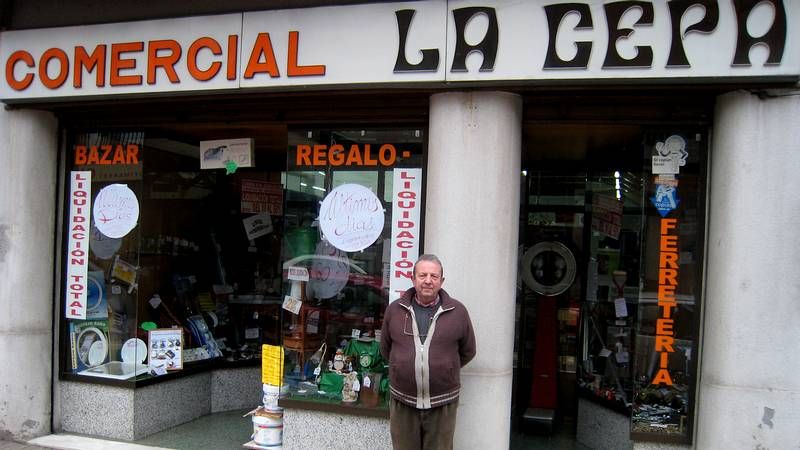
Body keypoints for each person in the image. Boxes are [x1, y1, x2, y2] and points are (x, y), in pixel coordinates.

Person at [380, 254, 476, 450]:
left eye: (434, 276)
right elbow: (385, 349)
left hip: (443, 403)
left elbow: (468, 351)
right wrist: (404, 367)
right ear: (413, 278)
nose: (428, 281)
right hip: (403, 401)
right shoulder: (395, 311)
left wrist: (445, 368)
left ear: (442, 281)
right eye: (422, 275)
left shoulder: (458, 312)